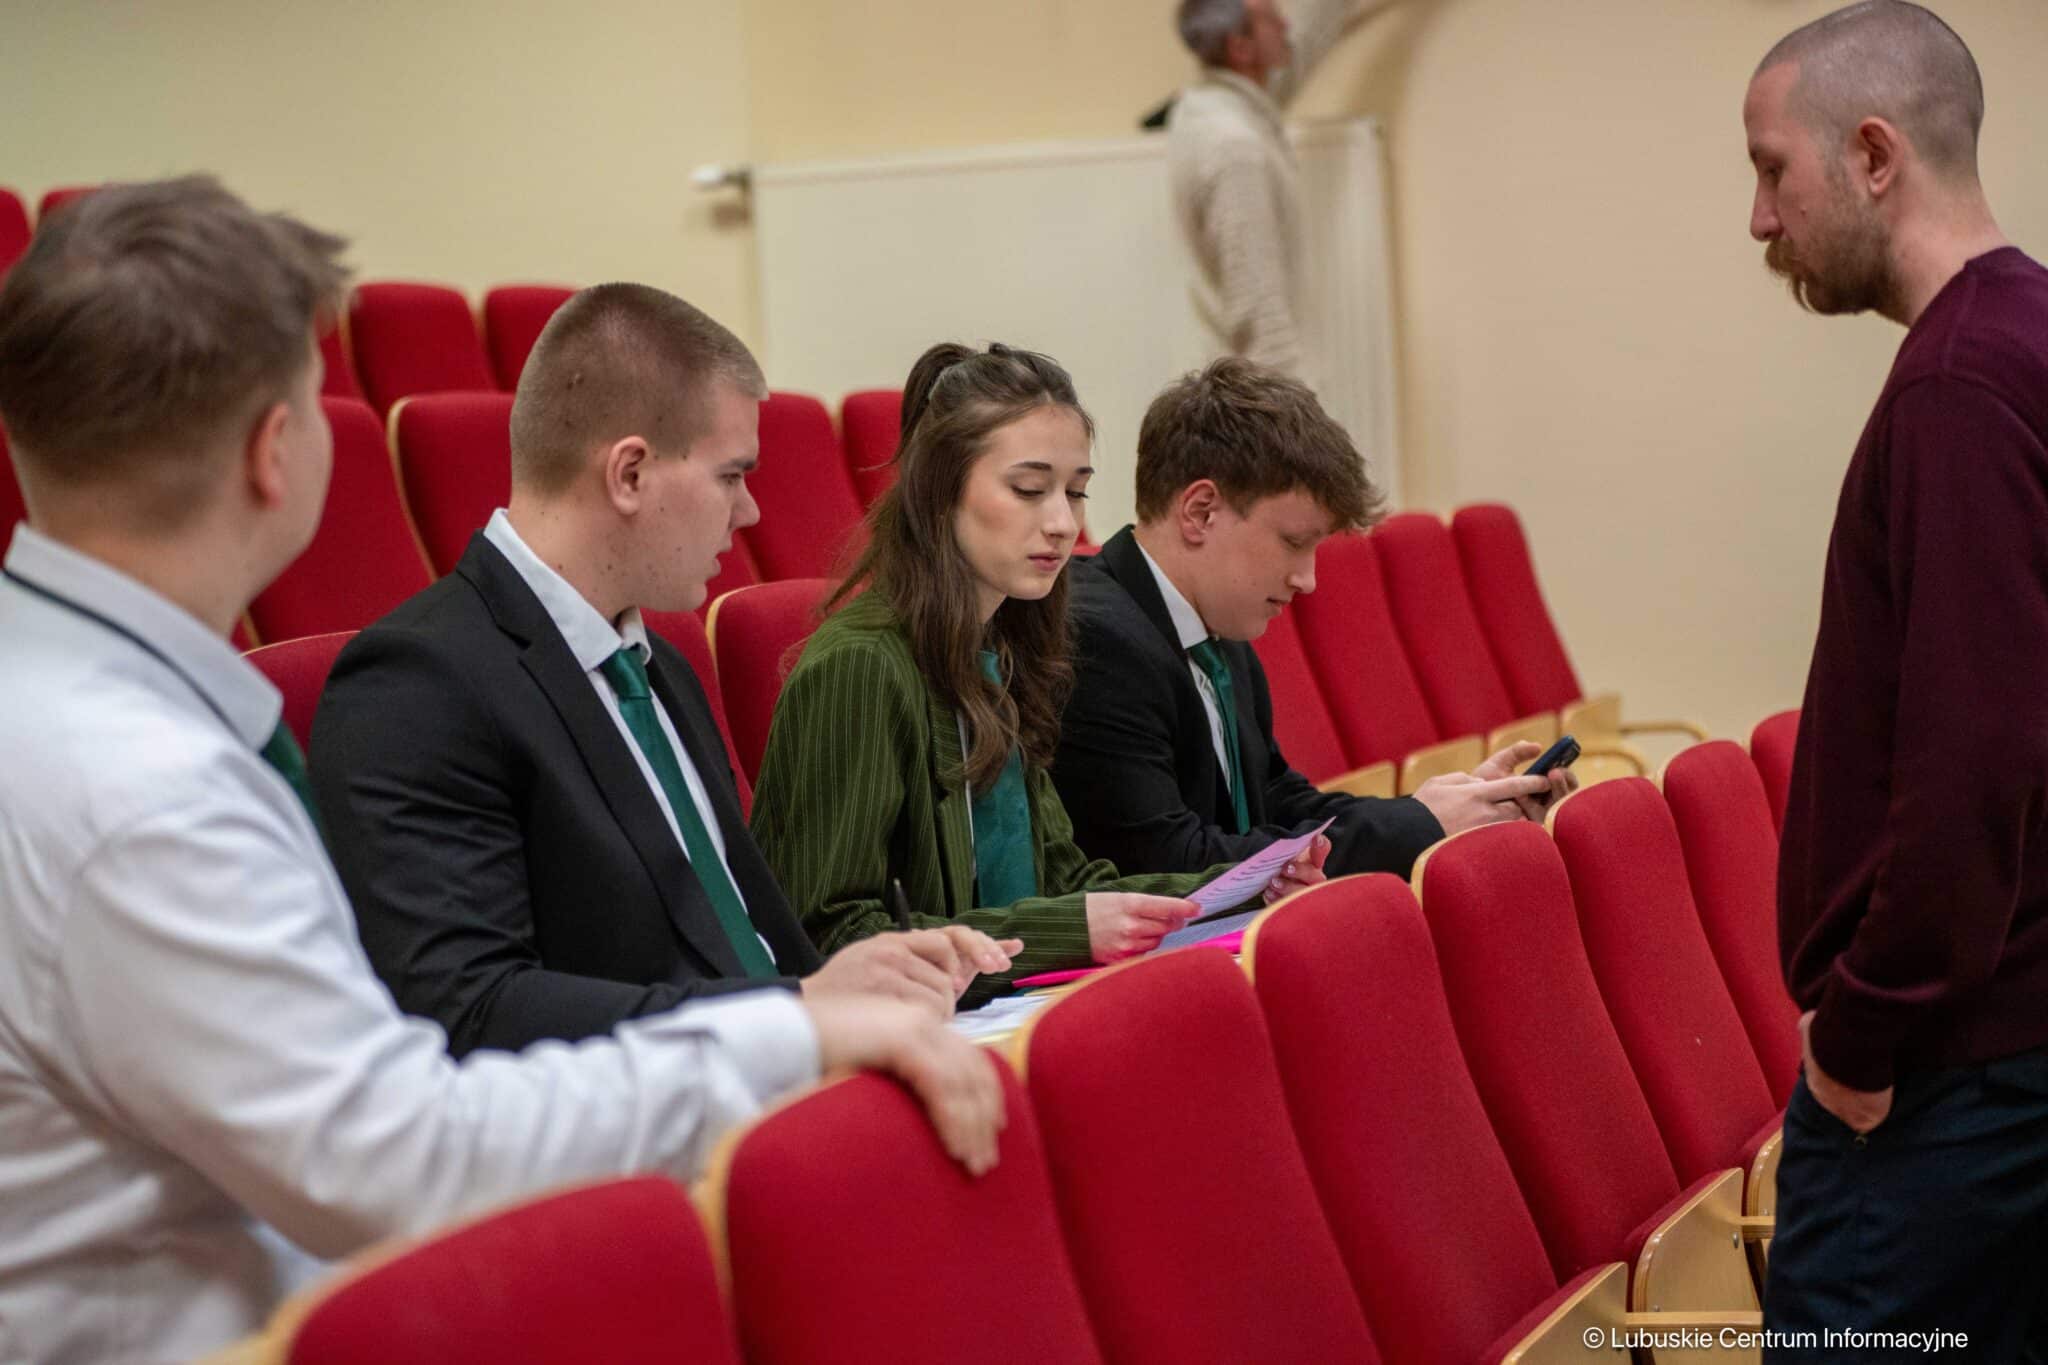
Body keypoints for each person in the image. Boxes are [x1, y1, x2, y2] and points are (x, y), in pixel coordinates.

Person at [0, 177, 1002, 1365]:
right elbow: (388, 1158)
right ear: (279, 449)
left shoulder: (74, 713)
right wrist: (789, 1034)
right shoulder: (141, 788)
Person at [312, 283, 1015, 1057]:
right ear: (630, 474)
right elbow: (471, 1008)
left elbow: (747, 943)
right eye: (730, 475)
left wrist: (858, 979)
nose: (749, 512)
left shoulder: (659, 667)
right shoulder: (418, 682)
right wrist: (796, 1013)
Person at [1745, 4, 2048, 1355]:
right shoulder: (2026, 333)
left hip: (1948, 1092)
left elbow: (1978, 761)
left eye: (1772, 170)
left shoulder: (1959, 385)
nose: (1761, 221)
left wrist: (1862, 1040)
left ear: (1874, 155)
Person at [750, 343, 1324, 1004]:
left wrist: (1242, 886)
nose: (1062, 524)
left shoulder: (1000, 652)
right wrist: (1066, 931)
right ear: (938, 492)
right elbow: (829, 936)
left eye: (1076, 492)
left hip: (1003, 1012)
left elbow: (1065, 876)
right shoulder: (858, 665)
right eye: (1028, 489)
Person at [1054, 358, 1567, 880]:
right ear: (1200, 512)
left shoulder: (1216, 628)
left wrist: (1442, 809)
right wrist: (1418, 824)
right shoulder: (1101, 638)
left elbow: (1277, 802)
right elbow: (1171, 862)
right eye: (1294, 544)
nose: (1308, 579)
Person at [1167, 0, 1398, 384]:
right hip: (1253, 408)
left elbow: (1302, 45)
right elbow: (1260, 314)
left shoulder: (1208, 110)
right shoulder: (1235, 148)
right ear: (1241, 49)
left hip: (1238, 394)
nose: (1286, 25)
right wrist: (1294, 430)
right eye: (1272, 18)